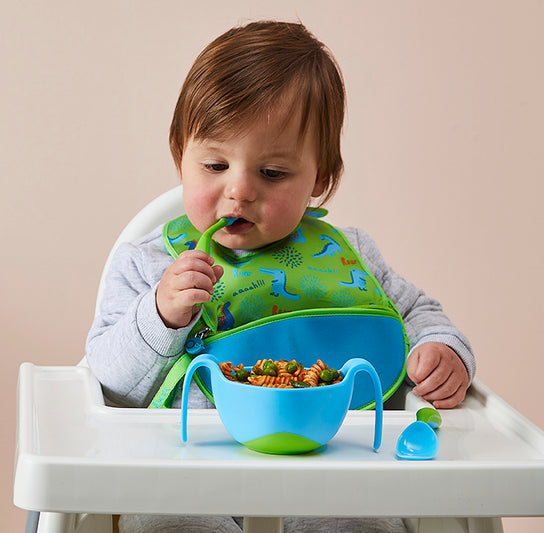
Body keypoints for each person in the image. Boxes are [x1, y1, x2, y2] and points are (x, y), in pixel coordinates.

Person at [86, 20, 474, 533]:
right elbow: (108, 381)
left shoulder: (349, 255)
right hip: (188, 477)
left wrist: (442, 349)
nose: (239, 191)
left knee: (364, 522)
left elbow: (416, 313)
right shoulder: (146, 265)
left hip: (334, 476)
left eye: (272, 173)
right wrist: (160, 314)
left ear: (321, 178)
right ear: (180, 155)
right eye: (214, 164)